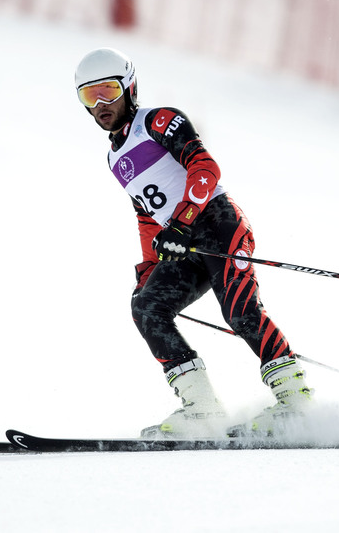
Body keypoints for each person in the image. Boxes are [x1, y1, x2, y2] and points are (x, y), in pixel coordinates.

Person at [74, 47, 312, 439]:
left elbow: (204, 167)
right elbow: (146, 216)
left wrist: (183, 221)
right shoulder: (114, 158)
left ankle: (296, 401)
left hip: (218, 225)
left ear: (129, 88)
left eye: (109, 91)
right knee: (147, 307)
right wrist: (149, 268)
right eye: (89, 95)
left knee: (239, 311)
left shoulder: (158, 121)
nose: (101, 104)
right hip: (182, 242)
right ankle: (201, 409)